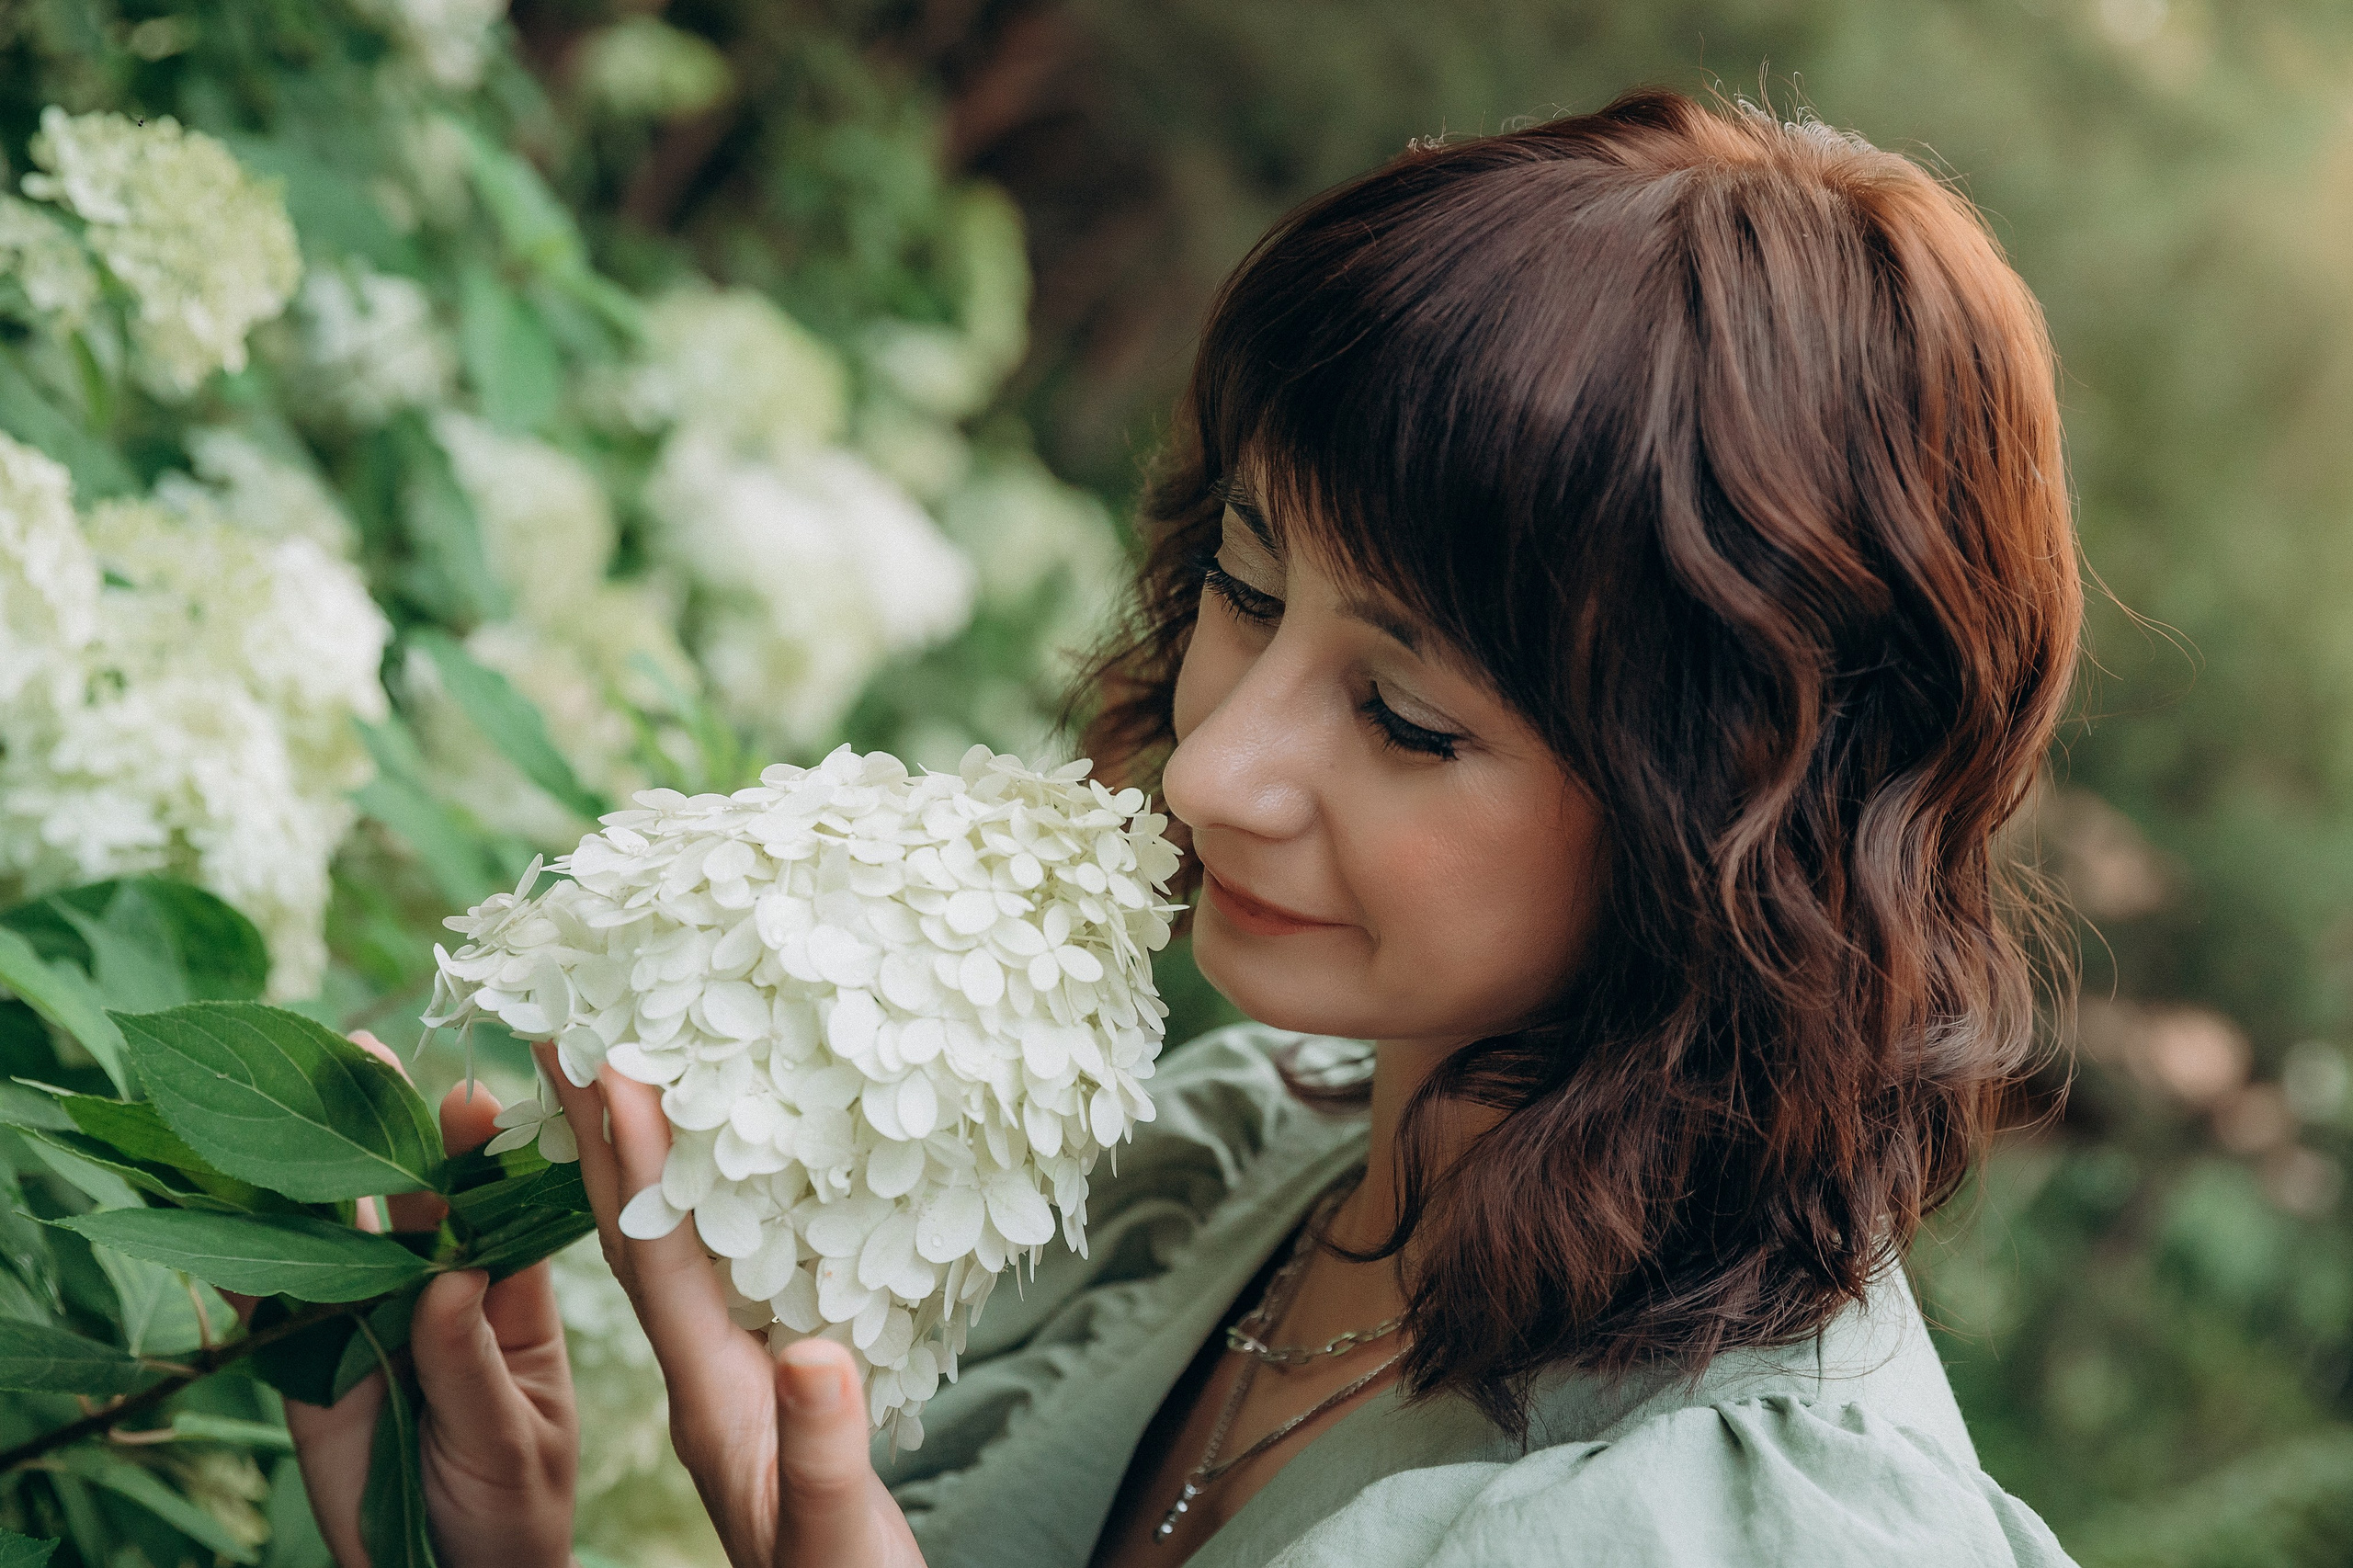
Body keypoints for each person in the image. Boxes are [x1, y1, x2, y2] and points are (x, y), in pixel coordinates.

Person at [295, 85, 2087, 1567]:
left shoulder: (1763, 1534)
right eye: (1241, 587)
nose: (1212, 768)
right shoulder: (1230, 1166)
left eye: (1403, 716)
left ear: (1733, 830)